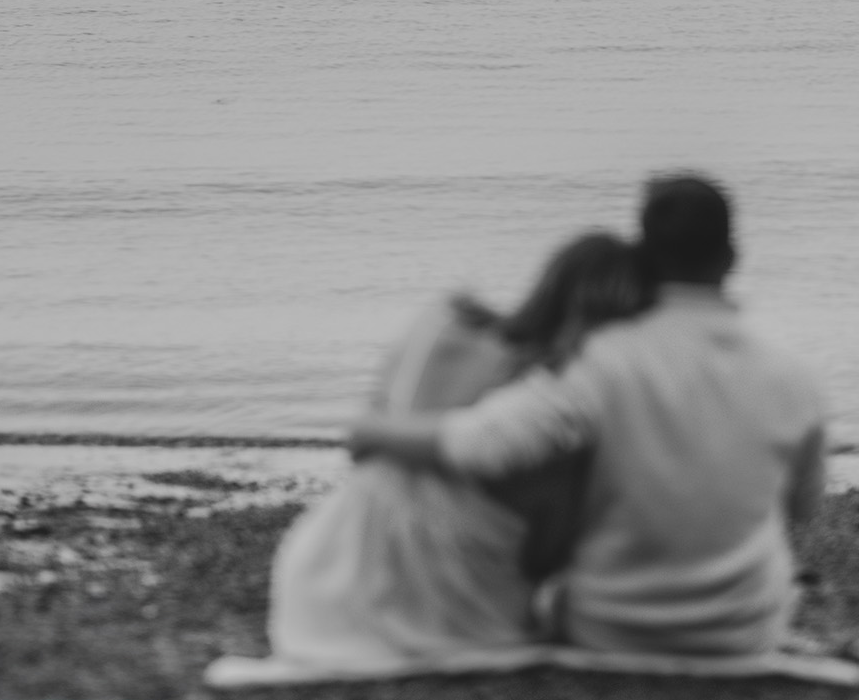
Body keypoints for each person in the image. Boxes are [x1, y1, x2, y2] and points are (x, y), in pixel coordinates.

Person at [350, 173, 826, 656]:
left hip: (614, 625)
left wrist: (373, 431)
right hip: (743, 630)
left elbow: (481, 446)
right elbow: (801, 509)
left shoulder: (603, 360)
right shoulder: (793, 375)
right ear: (732, 257)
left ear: (643, 255)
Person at [268, 232, 649, 667]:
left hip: (320, 576)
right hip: (448, 608)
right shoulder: (553, 400)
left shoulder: (444, 321)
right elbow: (547, 551)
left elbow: (366, 434)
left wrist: (383, 434)